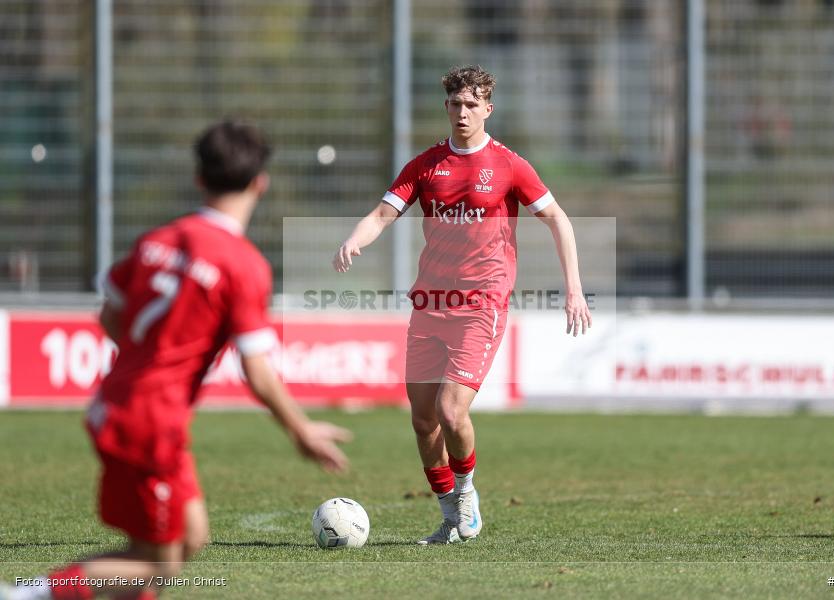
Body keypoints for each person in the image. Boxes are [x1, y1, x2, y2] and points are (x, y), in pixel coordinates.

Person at [1, 120, 352, 600]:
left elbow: (109, 314)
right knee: (156, 564)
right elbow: (257, 370)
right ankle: (24, 594)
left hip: (118, 404)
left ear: (199, 178)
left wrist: (147, 362)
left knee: (190, 537)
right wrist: (301, 430)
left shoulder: (158, 240)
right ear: (259, 183)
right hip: (152, 421)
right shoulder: (243, 264)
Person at [333, 65, 591, 544]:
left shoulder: (509, 164)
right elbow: (384, 213)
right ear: (446, 108)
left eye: (473, 104)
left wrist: (573, 288)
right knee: (423, 419)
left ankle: (467, 494)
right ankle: (451, 514)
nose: (463, 112)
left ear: (488, 109)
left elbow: (558, 219)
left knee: (452, 411)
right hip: (430, 303)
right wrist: (356, 238)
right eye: (455, 104)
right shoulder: (427, 165)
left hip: (482, 302)